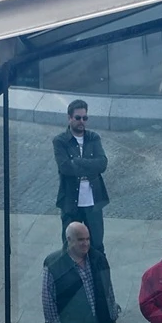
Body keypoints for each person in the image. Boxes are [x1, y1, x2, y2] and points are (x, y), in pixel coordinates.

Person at [53, 99, 108, 252]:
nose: (81, 121)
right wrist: (90, 165)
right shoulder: (60, 141)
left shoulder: (93, 138)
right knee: (70, 246)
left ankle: (97, 275)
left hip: (93, 201)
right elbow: (65, 168)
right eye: (78, 118)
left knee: (96, 245)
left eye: (85, 118)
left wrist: (77, 161)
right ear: (69, 118)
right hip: (71, 201)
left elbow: (102, 164)